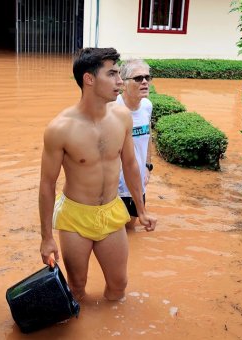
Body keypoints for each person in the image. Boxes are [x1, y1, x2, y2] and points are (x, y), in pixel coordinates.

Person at [39, 48, 157, 301]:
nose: (120, 82)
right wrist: (47, 238)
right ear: (89, 79)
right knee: (77, 287)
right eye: (112, 74)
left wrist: (142, 209)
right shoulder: (60, 128)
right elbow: (47, 185)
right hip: (75, 217)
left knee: (118, 285)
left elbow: (130, 165)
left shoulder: (122, 117)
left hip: (112, 211)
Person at [116, 59, 154, 230]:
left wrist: (147, 166)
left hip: (138, 184)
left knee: (131, 228)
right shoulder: (112, 108)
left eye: (147, 77)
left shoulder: (147, 106)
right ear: (123, 83)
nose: (145, 81)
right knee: (115, 232)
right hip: (113, 186)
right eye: (138, 78)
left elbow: (148, 138)